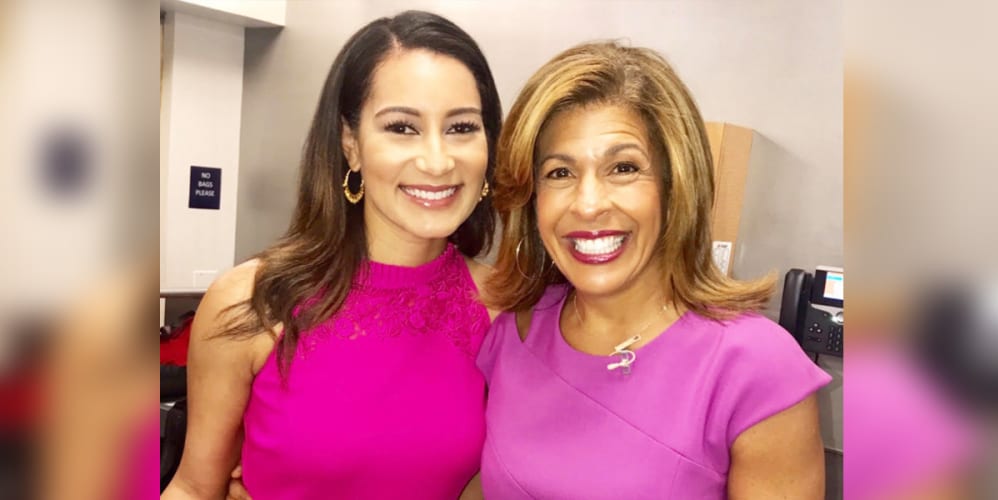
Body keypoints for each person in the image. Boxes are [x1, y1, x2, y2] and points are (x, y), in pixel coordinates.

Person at [161, 11, 502, 500]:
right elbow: (194, 488)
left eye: (462, 127)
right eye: (402, 127)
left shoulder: (504, 308)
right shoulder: (251, 302)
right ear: (351, 144)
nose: (437, 160)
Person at [476, 41, 832, 498]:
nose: (588, 204)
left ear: (674, 185)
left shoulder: (755, 368)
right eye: (560, 173)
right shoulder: (515, 331)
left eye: (623, 168)